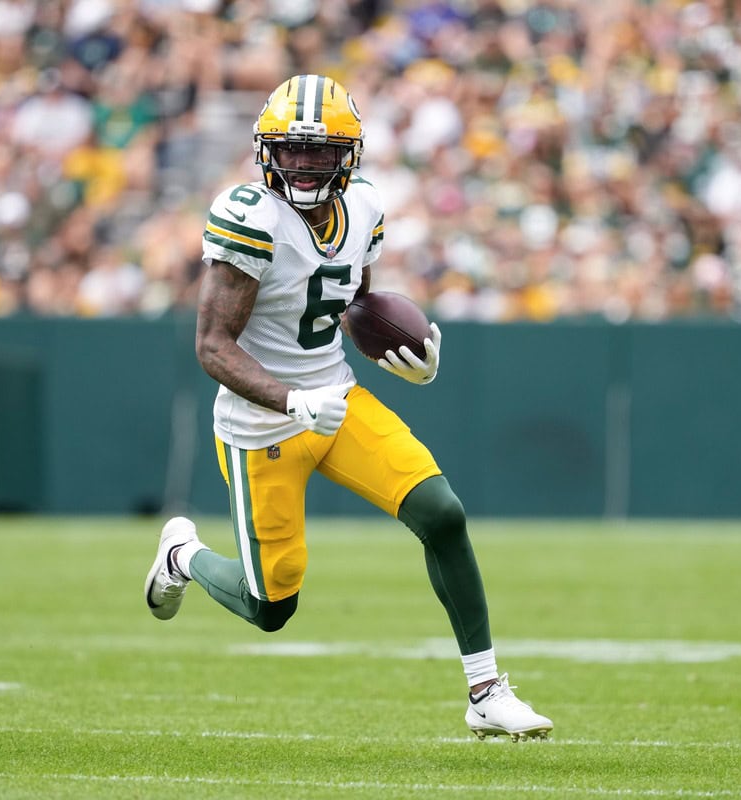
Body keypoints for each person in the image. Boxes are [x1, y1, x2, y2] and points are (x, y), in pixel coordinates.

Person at [144, 74, 553, 741]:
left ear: (349, 155)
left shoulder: (362, 207)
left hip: (335, 398)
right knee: (271, 606)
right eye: (291, 148)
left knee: (441, 513)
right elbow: (212, 346)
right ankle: (183, 555)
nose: (304, 163)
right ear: (267, 150)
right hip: (260, 425)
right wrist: (291, 400)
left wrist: (407, 354)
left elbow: (353, 303)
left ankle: (486, 690)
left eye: (320, 149)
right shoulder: (251, 217)